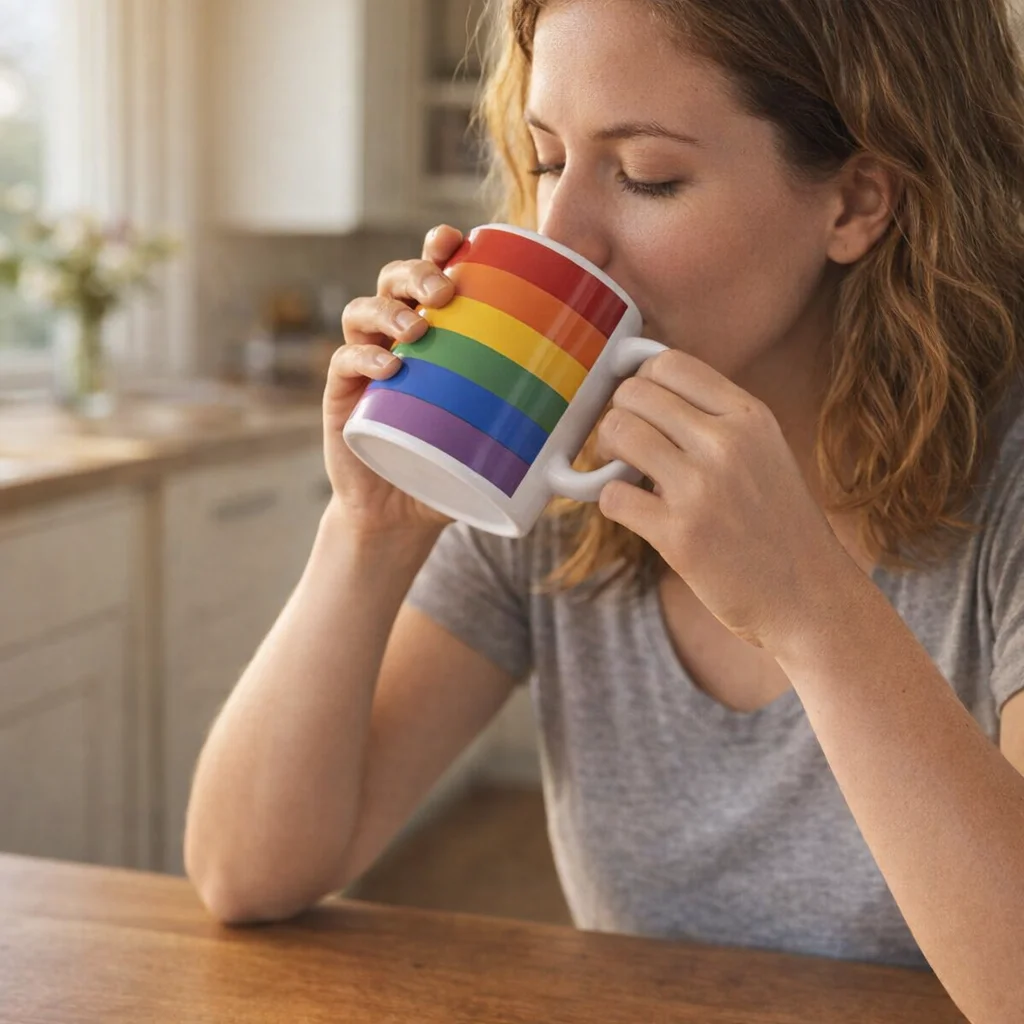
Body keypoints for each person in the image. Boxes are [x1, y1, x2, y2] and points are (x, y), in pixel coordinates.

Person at [184, 1, 1024, 1019]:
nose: (562, 233)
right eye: (546, 161)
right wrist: (369, 531)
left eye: (647, 176)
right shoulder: (551, 476)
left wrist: (808, 608)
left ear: (854, 203)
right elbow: (246, 869)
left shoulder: (1007, 486)